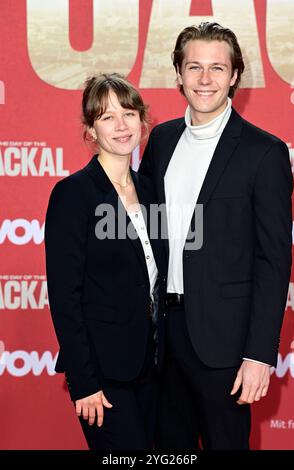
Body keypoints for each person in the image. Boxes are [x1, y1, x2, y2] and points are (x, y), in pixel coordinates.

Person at [139, 22, 293, 450]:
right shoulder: (162, 140)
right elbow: (149, 233)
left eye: (217, 68)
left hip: (225, 345)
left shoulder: (264, 153)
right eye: (194, 67)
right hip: (163, 339)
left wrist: (260, 354)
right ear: (178, 75)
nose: (205, 80)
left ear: (235, 76)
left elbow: (273, 260)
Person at [45, 73, 166, 450]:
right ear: (91, 130)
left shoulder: (149, 189)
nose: (121, 125)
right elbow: (65, 298)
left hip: (154, 365)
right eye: (107, 117)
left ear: (142, 121)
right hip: (103, 374)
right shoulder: (73, 194)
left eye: (128, 113)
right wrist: (84, 382)